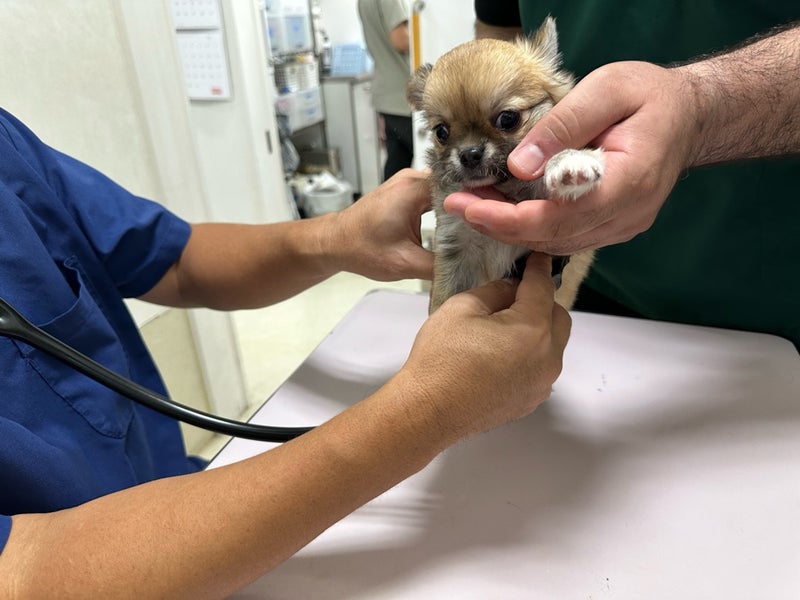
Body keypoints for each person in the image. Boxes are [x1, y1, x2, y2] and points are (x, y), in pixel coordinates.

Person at [0, 107, 570, 597]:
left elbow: (173, 259)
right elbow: (22, 573)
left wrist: (335, 236)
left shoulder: (8, 147)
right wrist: (429, 412)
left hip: (186, 493)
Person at [451, 2, 800, 349]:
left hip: (765, 293)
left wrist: (698, 107)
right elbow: (499, 33)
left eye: (507, 119)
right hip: (583, 279)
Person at [357, 0, 415, 181]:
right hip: (402, 97)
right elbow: (400, 40)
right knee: (434, 163)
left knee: (396, 167)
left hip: (387, 94)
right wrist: (428, 33)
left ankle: (387, 201)